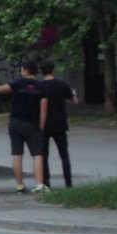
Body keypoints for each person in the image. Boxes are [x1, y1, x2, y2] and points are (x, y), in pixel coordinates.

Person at [0, 59, 49, 194]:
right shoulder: (41, 87)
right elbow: (44, 110)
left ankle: (19, 185)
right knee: (37, 155)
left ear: (25, 70)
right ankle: (39, 185)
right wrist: (41, 127)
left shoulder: (17, 83)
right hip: (33, 124)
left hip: (15, 122)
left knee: (17, 153)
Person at [39, 60, 78, 188]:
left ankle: (46, 182)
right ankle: (68, 182)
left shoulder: (40, 86)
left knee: (44, 155)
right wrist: (74, 93)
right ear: (53, 70)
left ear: (42, 72)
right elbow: (74, 102)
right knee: (64, 154)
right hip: (60, 124)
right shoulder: (62, 85)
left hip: (44, 125)